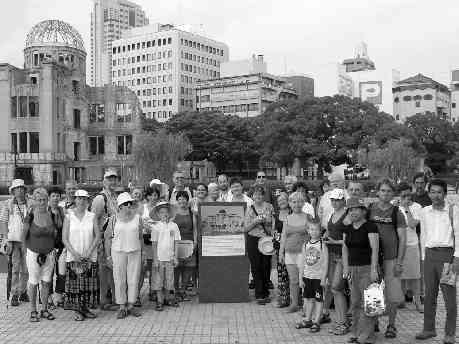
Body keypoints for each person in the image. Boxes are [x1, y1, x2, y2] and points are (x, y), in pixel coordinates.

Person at [416, 179, 459, 344]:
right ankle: (428, 329)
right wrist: (423, 258)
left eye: (439, 192)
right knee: (429, 295)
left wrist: (457, 258)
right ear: (429, 194)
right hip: (429, 255)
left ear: (445, 194)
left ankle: (450, 333)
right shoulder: (425, 211)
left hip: (447, 256)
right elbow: (424, 235)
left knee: (449, 297)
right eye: (432, 192)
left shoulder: (453, 210)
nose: (436, 195)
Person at [367, 178, 407, 339]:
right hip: (373, 258)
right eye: (382, 190)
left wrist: (399, 262)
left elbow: (403, 239)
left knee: (391, 295)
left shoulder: (397, 212)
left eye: (389, 191)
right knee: (374, 291)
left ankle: (391, 325)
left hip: (391, 258)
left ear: (393, 193)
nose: (385, 193)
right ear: (377, 192)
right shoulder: (370, 209)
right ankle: (374, 322)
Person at [342, 197, 379, 344]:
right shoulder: (347, 228)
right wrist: (345, 267)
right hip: (352, 269)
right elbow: (345, 248)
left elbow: (375, 249)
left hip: (367, 268)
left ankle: (368, 335)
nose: (353, 212)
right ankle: (356, 332)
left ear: (363, 211)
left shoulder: (370, 227)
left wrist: (374, 269)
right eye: (350, 210)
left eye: (356, 209)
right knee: (355, 302)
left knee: (370, 302)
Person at [63, 189, 100, 321]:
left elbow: (97, 236)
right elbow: (64, 238)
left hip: (89, 257)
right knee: (76, 285)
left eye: (85, 199)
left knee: (87, 284)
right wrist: (75, 253)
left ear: (88, 201)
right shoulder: (68, 216)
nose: (82, 201)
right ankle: (78, 311)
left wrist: (88, 252)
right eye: (79, 198)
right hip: (74, 257)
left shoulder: (92, 216)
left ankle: (85, 309)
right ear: (75, 200)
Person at [105, 192, 143, 319]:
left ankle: (131, 305)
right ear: (120, 206)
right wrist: (108, 256)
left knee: (133, 279)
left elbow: (140, 237)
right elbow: (108, 238)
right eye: (126, 204)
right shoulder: (113, 219)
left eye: (130, 203)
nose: (129, 206)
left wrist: (143, 254)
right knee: (119, 279)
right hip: (118, 252)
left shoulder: (138, 218)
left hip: (135, 251)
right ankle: (122, 306)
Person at [23, 188, 57, 322]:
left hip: (49, 254)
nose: (42, 202)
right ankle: (33, 310)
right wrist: (25, 251)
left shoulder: (52, 215)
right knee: (33, 281)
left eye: (44, 200)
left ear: (47, 200)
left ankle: (44, 309)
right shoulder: (30, 215)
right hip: (33, 253)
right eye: (39, 200)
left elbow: (55, 233)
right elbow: (23, 235)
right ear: (35, 201)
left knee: (47, 282)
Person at [91, 169, 118, 310]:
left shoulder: (115, 197)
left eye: (114, 179)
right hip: (103, 241)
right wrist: (98, 241)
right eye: (109, 179)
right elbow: (93, 220)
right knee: (103, 272)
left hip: (114, 241)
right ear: (104, 181)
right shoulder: (100, 199)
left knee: (112, 271)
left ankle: (113, 299)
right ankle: (103, 301)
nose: (112, 181)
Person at [0, 179, 29, 306]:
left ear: (24, 190)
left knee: (27, 270)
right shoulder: (7, 204)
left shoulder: (30, 203)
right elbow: (3, 222)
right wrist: (5, 239)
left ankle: (23, 291)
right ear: (13, 191)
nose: (19, 190)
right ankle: (14, 294)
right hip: (13, 241)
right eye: (17, 188)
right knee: (15, 269)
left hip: (28, 241)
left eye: (21, 188)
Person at [323, 188, 349, 335]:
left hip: (342, 256)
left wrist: (335, 241)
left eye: (338, 200)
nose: (334, 202)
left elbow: (348, 240)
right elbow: (329, 230)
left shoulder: (346, 216)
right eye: (332, 200)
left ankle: (343, 323)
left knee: (336, 289)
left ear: (343, 200)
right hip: (332, 255)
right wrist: (325, 237)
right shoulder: (332, 214)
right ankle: (342, 321)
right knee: (334, 289)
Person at [296, 219, 328, 333]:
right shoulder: (305, 245)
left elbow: (325, 263)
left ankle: (316, 321)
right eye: (311, 229)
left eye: (316, 229)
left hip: (318, 278)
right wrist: (300, 278)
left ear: (320, 231)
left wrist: (323, 278)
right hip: (307, 277)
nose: (314, 232)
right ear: (308, 230)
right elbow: (302, 263)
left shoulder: (322, 245)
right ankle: (308, 320)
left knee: (319, 300)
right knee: (309, 299)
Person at [279, 191, 309, 312]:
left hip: (303, 253)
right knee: (294, 280)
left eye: (300, 201)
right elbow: (284, 236)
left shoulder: (308, 217)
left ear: (303, 203)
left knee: (306, 279)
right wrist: (281, 252)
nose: (297, 204)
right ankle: (294, 303)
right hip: (289, 253)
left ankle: (307, 304)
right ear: (290, 203)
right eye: (294, 202)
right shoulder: (287, 218)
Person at [244, 185, 274, 305]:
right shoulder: (249, 208)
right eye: (256, 194)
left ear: (263, 195)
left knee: (266, 266)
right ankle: (259, 293)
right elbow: (245, 228)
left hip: (266, 239)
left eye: (260, 194)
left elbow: (273, 223)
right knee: (256, 266)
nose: (258, 196)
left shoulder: (269, 207)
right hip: (253, 239)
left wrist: (267, 221)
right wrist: (255, 221)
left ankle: (266, 292)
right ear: (252, 196)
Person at [397, 182, 423, 312]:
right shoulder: (394, 206)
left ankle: (417, 301)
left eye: (409, 195)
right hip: (397, 245)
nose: (407, 198)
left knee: (415, 275)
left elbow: (413, 224)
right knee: (399, 274)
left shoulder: (417, 207)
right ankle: (400, 299)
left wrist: (406, 209)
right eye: (404, 196)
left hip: (412, 244)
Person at [151, 201, 181, 311]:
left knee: (169, 279)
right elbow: (154, 243)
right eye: (161, 212)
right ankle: (159, 301)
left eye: (166, 212)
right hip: (159, 258)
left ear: (170, 213)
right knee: (158, 280)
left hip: (170, 258)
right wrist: (155, 259)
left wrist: (175, 256)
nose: (164, 214)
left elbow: (176, 242)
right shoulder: (156, 227)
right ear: (158, 214)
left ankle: (167, 298)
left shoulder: (174, 226)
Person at [174, 191, 198, 301]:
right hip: (176, 244)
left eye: (184, 198)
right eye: (179, 199)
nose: (182, 201)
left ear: (187, 200)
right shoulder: (173, 213)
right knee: (177, 268)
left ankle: (183, 290)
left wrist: (195, 242)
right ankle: (176, 291)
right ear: (177, 200)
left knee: (189, 267)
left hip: (189, 243)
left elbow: (195, 229)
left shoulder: (191, 212)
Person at [138, 186, 161, 303]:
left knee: (154, 268)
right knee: (142, 269)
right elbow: (137, 222)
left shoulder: (159, 209)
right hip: (144, 242)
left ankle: (152, 292)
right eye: (151, 195)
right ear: (147, 196)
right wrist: (144, 226)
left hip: (156, 242)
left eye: (156, 195)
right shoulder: (142, 208)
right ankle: (136, 294)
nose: (154, 197)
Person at [47, 186, 65, 308]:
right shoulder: (45, 211)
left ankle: (58, 296)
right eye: (53, 195)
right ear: (49, 197)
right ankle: (47, 297)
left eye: (57, 196)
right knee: (48, 273)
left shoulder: (62, 211)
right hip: (47, 248)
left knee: (61, 273)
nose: (55, 198)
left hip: (61, 247)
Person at [273, 192, 291, 308]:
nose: (281, 202)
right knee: (281, 274)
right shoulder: (277, 214)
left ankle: (294, 298)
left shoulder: (292, 213)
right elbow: (274, 231)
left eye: (283, 200)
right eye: (279, 201)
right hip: (279, 248)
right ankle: (283, 299)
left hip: (290, 247)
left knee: (291, 273)